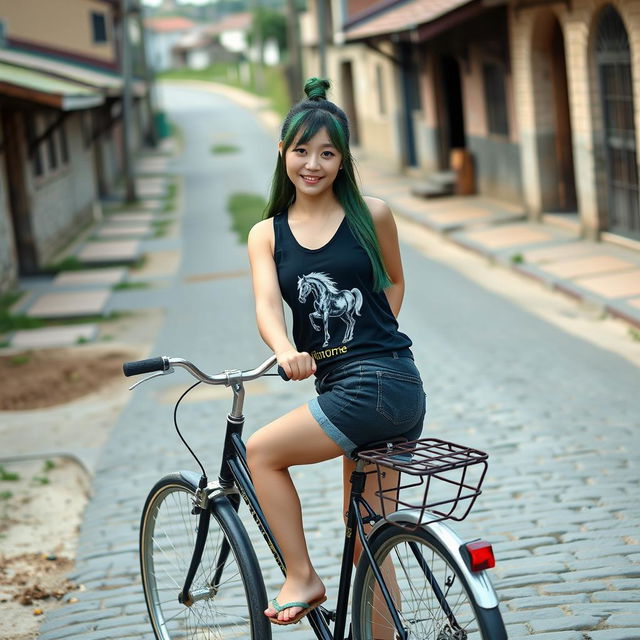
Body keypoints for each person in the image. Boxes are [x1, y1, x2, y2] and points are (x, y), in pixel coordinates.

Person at [246, 77, 426, 627]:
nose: (313, 164)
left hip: (376, 384)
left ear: (344, 160)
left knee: (260, 453)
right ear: (284, 154)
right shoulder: (268, 234)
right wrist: (286, 350)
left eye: (327, 153)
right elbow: (268, 307)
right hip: (386, 391)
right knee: (370, 539)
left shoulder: (372, 214)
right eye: (302, 151)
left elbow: (393, 281)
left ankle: (301, 576)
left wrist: (368, 335)